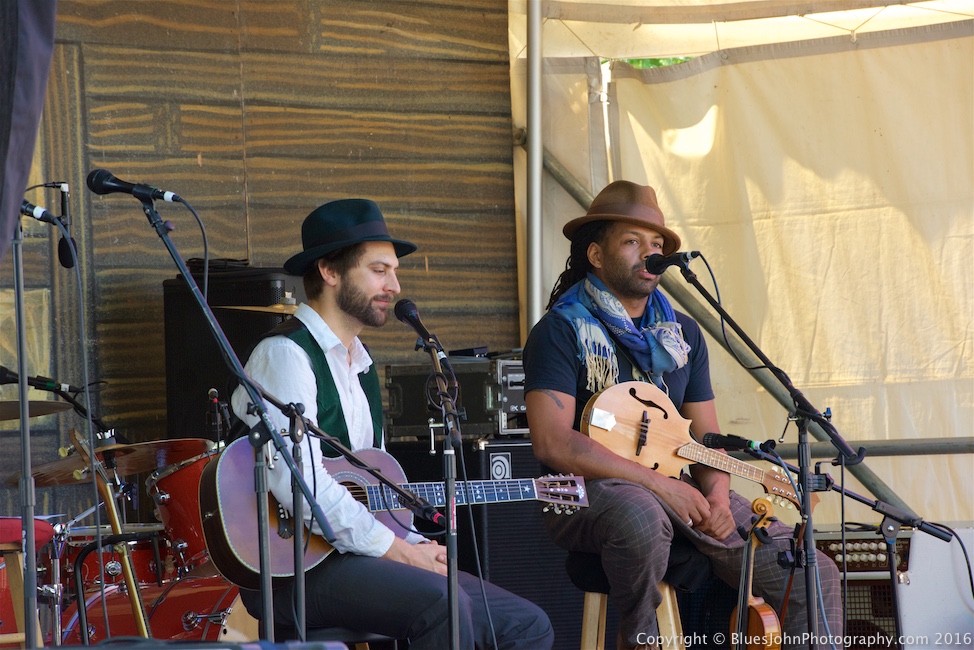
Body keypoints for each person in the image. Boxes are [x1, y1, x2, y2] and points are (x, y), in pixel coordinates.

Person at [522, 181, 843, 650]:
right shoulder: (561, 329)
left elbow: (707, 439)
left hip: (679, 485)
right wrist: (657, 483)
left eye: (656, 245)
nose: (648, 253)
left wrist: (715, 497)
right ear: (595, 254)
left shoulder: (683, 334)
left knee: (816, 574)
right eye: (632, 241)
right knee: (642, 513)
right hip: (579, 494)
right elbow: (552, 443)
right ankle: (640, 641)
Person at [230, 199, 554, 650]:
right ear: (329, 271)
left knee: (527, 624)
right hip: (297, 569)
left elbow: (371, 482)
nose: (395, 286)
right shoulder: (285, 356)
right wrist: (398, 550)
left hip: (359, 553)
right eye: (380, 271)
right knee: (443, 605)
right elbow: (301, 485)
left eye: (394, 272)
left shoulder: (361, 366)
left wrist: (414, 540)